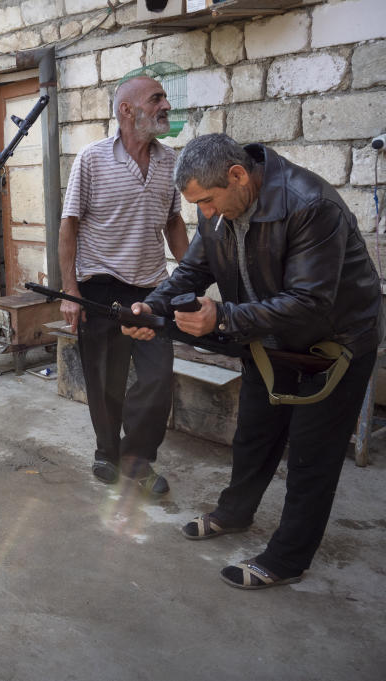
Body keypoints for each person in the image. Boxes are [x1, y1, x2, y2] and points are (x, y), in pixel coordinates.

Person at [124, 133, 383, 589]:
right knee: (255, 433)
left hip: (334, 347)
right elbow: (192, 271)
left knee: (310, 455)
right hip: (270, 339)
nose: (203, 213)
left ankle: (288, 558)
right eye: (196, 205)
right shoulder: (218, 211)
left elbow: (310, 301)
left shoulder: (310, 204)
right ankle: (234, 513)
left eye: (207, 200)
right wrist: (153, 307)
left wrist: (222, 316)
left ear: (238, 176)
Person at [58, 75, 188, 496]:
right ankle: (106, 450)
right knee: (105, 378)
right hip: (100, 286)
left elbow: (173, 222)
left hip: (153, 289)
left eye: (165, 97)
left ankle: (136, 458)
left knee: (157, 377)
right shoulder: (92, 159)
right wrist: (71, 293)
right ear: (126, 110)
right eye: (156, 98)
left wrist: (194, 275)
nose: (165, 105)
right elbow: (69, 227)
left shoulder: (170, 161)